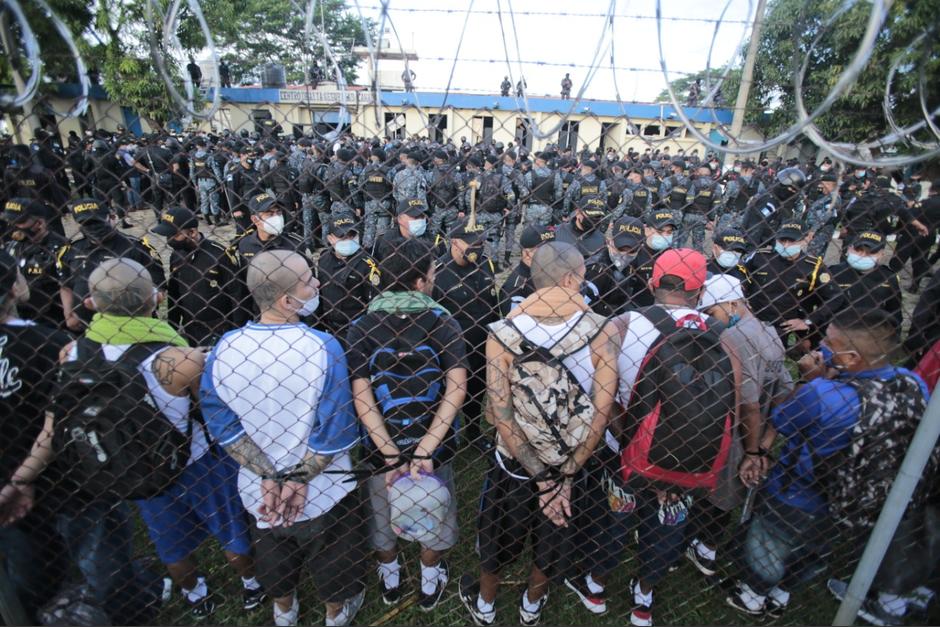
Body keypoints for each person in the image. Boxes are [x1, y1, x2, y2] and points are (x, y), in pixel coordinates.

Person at [727, 309, 936, 625]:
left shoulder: (823, 395)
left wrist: (815, 380)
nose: (820, 344)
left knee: (769, 543)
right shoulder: (911, 383)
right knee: (815, 549)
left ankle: (753, 595)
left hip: (796, 492)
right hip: (853, 497)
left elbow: (784, 419)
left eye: (828, 341)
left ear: (851, 358)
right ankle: (784, 592)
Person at [570, 249, 740, 627]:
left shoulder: (624, 325)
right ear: (699, 291)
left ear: (652, 282)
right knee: (667, 526)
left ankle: (596, 584)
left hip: (625, 452)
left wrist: (626, 432)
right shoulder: (722, 337)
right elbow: (733, 404)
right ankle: (643, 597)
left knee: (614, 519)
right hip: (691, 456)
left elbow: (593, 387)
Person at [201, 250, 366, 627]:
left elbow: (223, 424)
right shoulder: (323, 347)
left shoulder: (224, 348)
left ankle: (284, 608)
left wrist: (272, 477)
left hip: (260, 489)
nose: (319, 283)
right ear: (287, 301)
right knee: (333, 552)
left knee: (272, 547)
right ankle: (335, 612)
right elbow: (335, 427)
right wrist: (297, 478)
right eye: (310, 279)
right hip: (324, 487)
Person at [459, 241, 618, 627]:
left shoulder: (502, 332)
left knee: (498, 536)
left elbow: (500, 412)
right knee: (553, 537)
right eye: (581, 278)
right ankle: (531, 605)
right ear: (568, 278)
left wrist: (540, 478)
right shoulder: (601, 329)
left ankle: (486, 603)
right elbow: (602, 411)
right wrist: (563, 476)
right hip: (571, 459)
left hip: (515, 462)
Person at [346, 237, 467, 611]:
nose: (433, 281)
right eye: (431, 274)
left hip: (381, 448)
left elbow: (362, 395)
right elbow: (456, 387)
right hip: (434, 445)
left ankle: (391, 575)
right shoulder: (443, 321)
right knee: (436, 505)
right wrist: (425, 449)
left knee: (383, 510)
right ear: (419, 282)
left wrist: (391, 455)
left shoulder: (362, 325)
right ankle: (430, 578)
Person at [688, 275, 793, 579]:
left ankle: (703, 545)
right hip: (757, 430)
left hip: (735, 427)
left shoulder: (734, 338)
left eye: (711, 312)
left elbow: (748, 403)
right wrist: (764, 445)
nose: (709, 320)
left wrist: (752, 449)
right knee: (731, 488)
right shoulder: (768, 331)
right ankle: (707, 544)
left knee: (717, 490)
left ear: (732, 305)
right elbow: (784, 392)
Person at [432, 221, 499, 448]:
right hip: (452, 349)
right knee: (448, 393)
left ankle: (473, 430)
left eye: (480, 243)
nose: (476, 249)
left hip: (482, 343)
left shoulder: (485, 265)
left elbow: (493, 305)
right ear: (453, 242)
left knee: (477, 390)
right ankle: (446, 433)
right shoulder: (439, 273)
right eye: (470, 244)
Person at [57, 197, 166, 332]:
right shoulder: (71, 250)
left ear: (112, 217)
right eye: (87, 223)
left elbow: (158, 287)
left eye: (98, 222)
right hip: (85, 326)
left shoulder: (136, 247)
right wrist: (68, 314)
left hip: (131, 324)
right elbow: (65, 286)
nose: (93, 228)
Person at [150, 207, 241, 346]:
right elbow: (175, 294)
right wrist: (173, 326)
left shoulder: (219, 255)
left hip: (220, 327)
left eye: (174, 235)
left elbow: (237, 294)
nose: (169, 240)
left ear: (192, 232)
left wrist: (238, 331)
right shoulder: (176, 255)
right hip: (191, 326)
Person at [744, 221, 835, 352]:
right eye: (782, 240)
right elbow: (739, 278)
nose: (786, 245)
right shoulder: (760, 256)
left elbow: (833, 297)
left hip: (782, 326)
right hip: (752, 319)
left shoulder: (813, 266)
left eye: (792, 241)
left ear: (805, 240)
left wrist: (808, 320)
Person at [2, 197, 69, 328]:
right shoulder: (11, 247)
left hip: (53, 319)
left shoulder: (61, 248)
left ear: (40, 223)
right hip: (17, 317)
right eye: (10, 221)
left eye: (19, 222)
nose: (14, 226)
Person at [817, 230, 903, 328]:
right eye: (858, 250)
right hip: (836, 328)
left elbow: (894, 312)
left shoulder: (888, 278)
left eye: (870, 253)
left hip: (870, 331)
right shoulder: (832, 273)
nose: (862, 256)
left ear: (881, 254)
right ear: (849, 249)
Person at [315, 214, 380, 339]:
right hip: (328, 328)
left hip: (356, 331)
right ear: (330, 238)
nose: (349, 240)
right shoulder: (324, 258)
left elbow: (374, 303)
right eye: (343, 237)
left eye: (352, 236)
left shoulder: (368, 264)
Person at [584, 216, 646, 316]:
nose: (624, 255)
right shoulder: (596, 269)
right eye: (620, 248)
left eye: (631, 251)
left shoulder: (637, 263)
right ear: (609, 241)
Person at [499, 224, 555, 316]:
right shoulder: (516, 288)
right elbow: (518, 324)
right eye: (544, 250)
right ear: (527, 254)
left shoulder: (548, 271)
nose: (551, 253)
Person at [894, 180, 939, 293]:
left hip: (912, 232)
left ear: (932, 190)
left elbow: (910, 215)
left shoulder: (926, 202)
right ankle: (915, 286)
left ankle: (889, 279)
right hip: (930, 234)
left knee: (899, 257)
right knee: (920, 260)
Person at [373, 197, 436, 261]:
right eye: (415, 217)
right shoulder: (386, 241)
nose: (420, 220)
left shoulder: (435, 241)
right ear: (400, 219)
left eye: (422, 216)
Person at [357, 147, 394, 249]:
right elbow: (393, 186)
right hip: (384, 202)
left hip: (370, 203)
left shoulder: (366, 170)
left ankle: (367, 250)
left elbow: (360, 185)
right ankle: (381, 250)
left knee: (369, 228)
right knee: (383, 230)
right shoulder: (388, 170)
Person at [804, 172, 841, 258]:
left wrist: (813, 230)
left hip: (822, 230)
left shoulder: (832, 198)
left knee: (812, 255)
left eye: (824, 184)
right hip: (819, 230)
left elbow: (825, 216)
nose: (821, 186)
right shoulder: (826, 196)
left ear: (831, 185)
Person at [523, 152, 562, 228]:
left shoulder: (529, 175)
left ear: (537, 161)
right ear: (546, 161)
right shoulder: (555, 175)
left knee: (530, 231)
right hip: (546, 207)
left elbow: (524, 193)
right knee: (544, 232)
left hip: (532, 208)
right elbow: (558, 194)